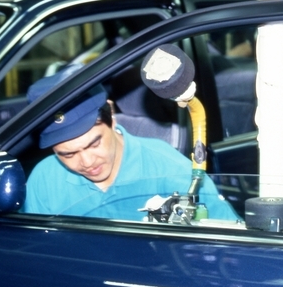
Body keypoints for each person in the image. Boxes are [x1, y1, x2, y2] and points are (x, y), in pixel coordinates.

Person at [22, 68, 239, 222]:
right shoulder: (44, 180)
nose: (86, 162)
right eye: (68, 155)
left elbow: (231, 242)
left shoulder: (171, 170)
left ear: (111, 115)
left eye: (94, 144)